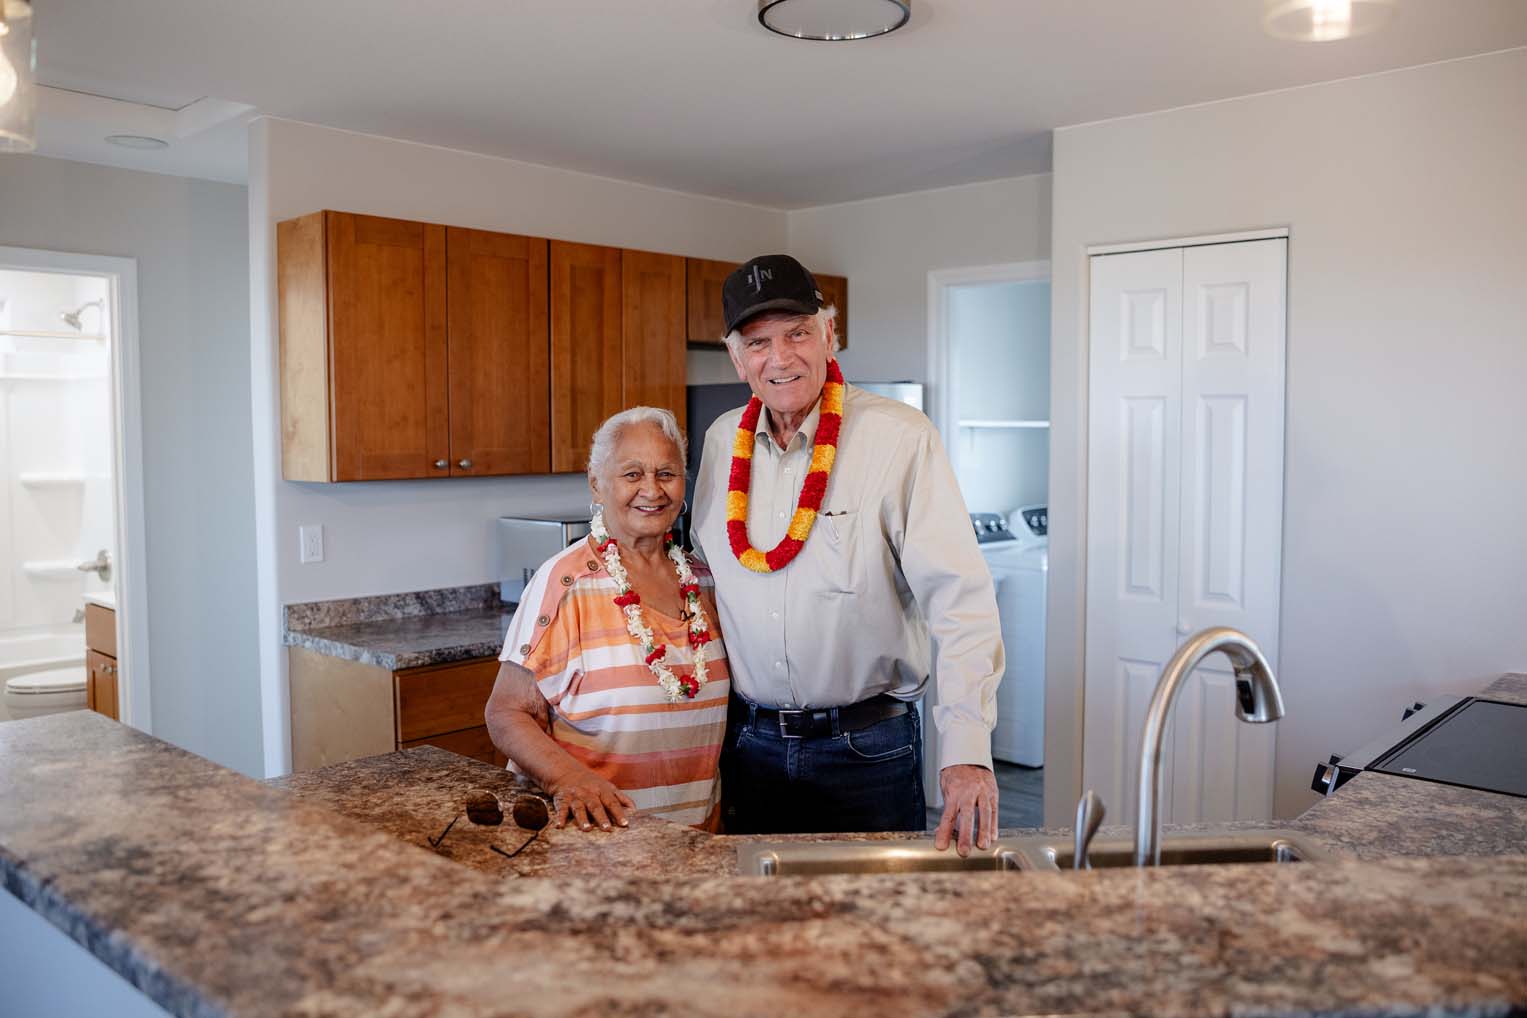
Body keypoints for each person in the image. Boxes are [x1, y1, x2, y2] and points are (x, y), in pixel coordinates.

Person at [691, 255, 1004, 855]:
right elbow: (706, 579)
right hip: (749, 747)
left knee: (876, 935)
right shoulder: (719, 442)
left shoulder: (901, 438)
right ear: (737, 358)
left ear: (829, 334)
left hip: (868, 751)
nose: (779, 358)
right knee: (762, 934)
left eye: (797, 333)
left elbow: (962, 602)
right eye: (758, 342)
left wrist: (967, 752)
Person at [486, 407, 731, 832]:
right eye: (632, 474)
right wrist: (569, 778)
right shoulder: (565, 582)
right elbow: (506, 712)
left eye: (667, 474)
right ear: (597, 484)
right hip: (598, 839)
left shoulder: (704, 580)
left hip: (696, 839)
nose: (651, 490)